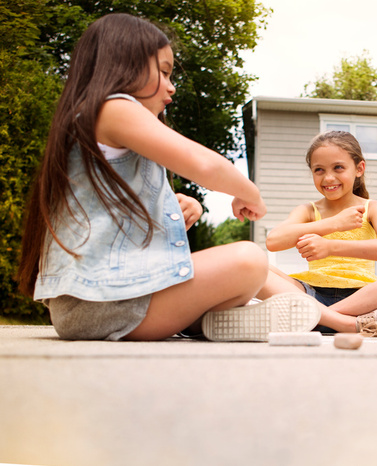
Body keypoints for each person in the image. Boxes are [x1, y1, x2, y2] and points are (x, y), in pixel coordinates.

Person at [17, 13, 320, 342]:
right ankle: (202, 318)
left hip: (99, 303)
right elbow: (203, 164)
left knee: (242, 268)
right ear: (123, 62)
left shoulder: (92, 119)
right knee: (249, 260)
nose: (171, 85)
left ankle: (203, 321)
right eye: (162, 71)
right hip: (106, 305)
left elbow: (107, 218)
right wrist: (250, 192)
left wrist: (171, 210)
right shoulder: (113, 107)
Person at [257, 131, 377, 336]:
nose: (328, 178)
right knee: (254, 266)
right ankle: (342, 323)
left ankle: (318, 318)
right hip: (310, 292)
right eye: (319, 170)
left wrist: (330, 247)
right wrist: (333, 224)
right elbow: (273, 240)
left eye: (338, 167)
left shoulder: (372, 208)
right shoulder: (308, 210)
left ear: (359, 169)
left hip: (362, 299)